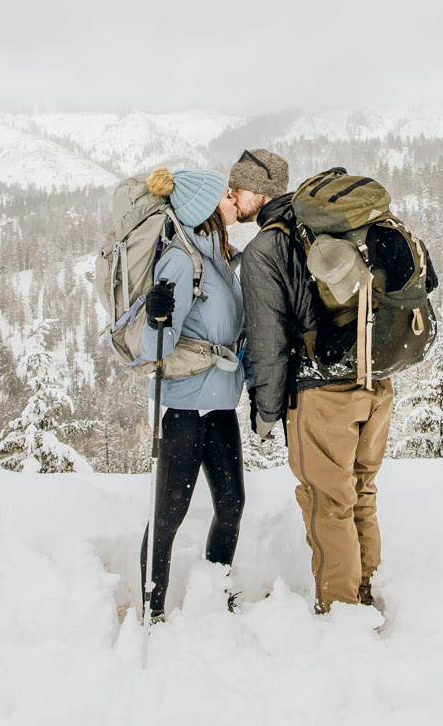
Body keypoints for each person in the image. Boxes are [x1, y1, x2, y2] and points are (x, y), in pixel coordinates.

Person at [236, 150, 393, 617]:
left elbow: (266, 340)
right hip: (373, 378)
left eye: (238, 188)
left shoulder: (266, 249)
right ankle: (364, 586)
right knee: (360, 489)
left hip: (323, 392)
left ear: (261, 191)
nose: (232, 197)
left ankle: (342, 611)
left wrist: (266, 412)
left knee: (328, 502)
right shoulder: (329, 228)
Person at [140, 166, 247, 622]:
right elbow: (154, 350)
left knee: (231, 504)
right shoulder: (183, 262)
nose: (232, 200)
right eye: (225, 195)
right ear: (205, 209)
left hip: (219, 404)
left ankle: (213, 590)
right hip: (185, 408)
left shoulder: (221, 257)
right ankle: (152, 606)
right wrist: (156, 317)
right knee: (168, 514)